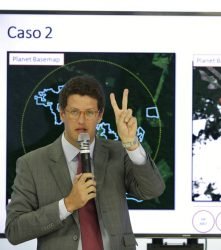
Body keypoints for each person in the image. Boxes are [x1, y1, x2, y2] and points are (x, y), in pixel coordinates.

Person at [5, 75, 165, 250]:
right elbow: (14, 230)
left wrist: (131, 143)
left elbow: (153, 190)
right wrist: (67, 205)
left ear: (100, 115)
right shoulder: (32, 163)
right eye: (74, 112)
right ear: (62, 113)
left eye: (89, 112)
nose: (81, 120)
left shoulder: (119, 152)